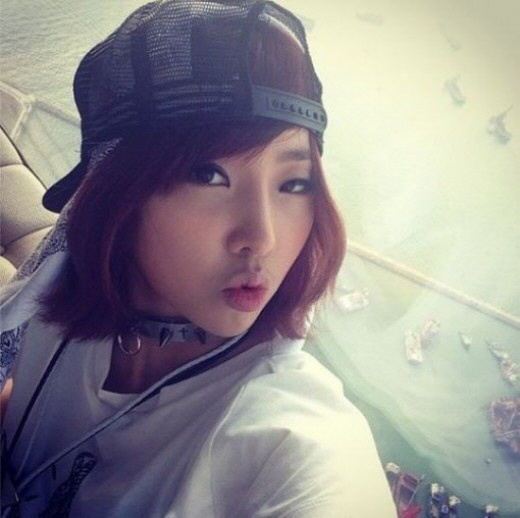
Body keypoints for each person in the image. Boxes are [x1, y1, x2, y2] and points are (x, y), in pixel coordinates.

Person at [0, 1, 397, 516]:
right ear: (124, 192)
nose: (262, 237)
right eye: (209, 175)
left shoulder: (290, 443)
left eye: (294, 183)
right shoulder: (53, 298)